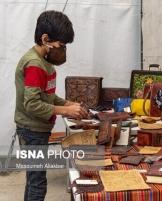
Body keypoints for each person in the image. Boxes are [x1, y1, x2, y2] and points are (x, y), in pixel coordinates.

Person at [14, 10, 88, 201]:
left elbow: (47, 97)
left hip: (37, 130)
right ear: (45, 38)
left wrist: (69, 104)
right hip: (32, 132)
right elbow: (32, 104)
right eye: (61, 45)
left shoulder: (44, 63)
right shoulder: (35, 65)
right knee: (38, 184)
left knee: (34, 180)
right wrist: (65, 110)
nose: (62, 50)